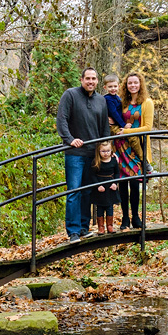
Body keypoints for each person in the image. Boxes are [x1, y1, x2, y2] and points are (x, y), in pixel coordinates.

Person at [56, 67, 111, 243]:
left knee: (87, 191)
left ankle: (83, 227)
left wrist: (106, 150)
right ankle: (72, 231)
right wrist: (70, 139)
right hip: (75, 153)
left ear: (97, 81)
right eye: (87, 78)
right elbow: (61, 119)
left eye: (94, 79)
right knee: (74, 191)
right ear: (81, 80)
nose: (91, 82)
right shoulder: (70, 95)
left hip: (93, 154)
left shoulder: (101, 100)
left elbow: (104, 128)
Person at [114, 71, 154, 230]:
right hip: (121, 146)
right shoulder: (122, 102)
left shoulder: (147, 102)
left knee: (135, 182)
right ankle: (124, 218)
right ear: (126, 85)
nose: (132, 85)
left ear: (140, 84)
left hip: (137, 149)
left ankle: (136, 217)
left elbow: (148, 128)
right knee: (122, 183)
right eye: (130, 83)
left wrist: (127, 132)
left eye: (135, 83)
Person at [103, 74, 144, 165]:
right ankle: (143, 159)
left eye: (115, 86)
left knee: (133, 138)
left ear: (119, 86)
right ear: (105, 87)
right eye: (110, 87)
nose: (113, 89)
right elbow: (114, 113)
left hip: (119, 124)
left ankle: (142, 159)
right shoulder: (108, 99)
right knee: (132, 137)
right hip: (113, 126)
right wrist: (124, 125)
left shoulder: (118, 98)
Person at [88, 140, 120, 234]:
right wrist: (98, 185)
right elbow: (92, 175)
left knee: (110, 206)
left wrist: (115, 183)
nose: (106, 153)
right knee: (100, 207)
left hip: (110, 186)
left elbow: (117, 173)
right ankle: (101, 227)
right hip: (100, 186)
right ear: (99, 151)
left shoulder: (113, 161)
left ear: (111, 150)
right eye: (103, 151)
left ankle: (110, 226)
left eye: (108, 151)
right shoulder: (96, 161)